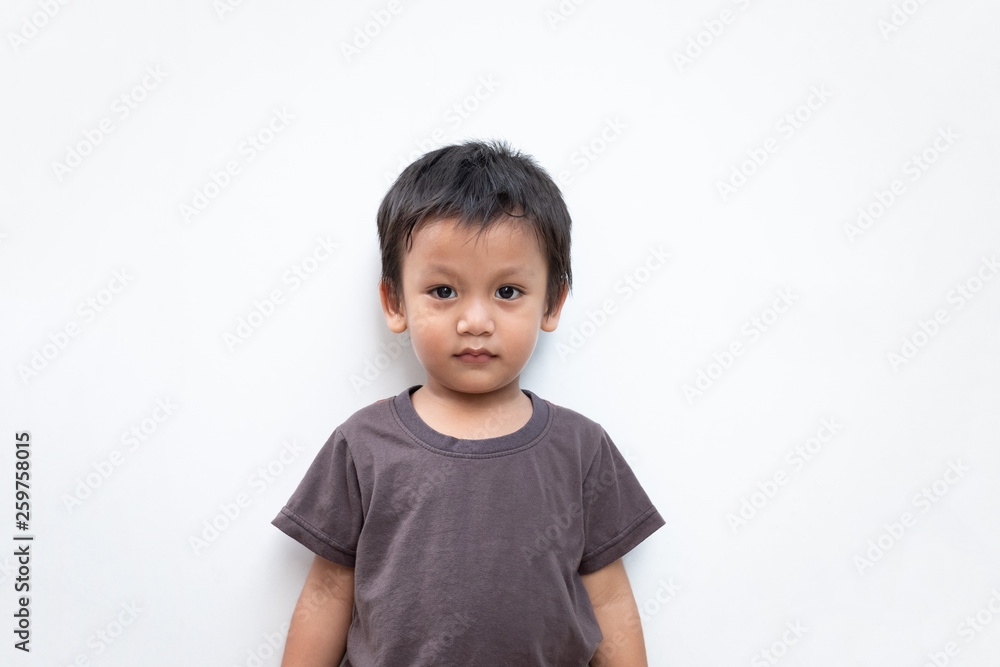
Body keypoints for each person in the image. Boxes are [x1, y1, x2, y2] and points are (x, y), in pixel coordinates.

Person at [272, 140, 664, 666]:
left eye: (506, 292)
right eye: (442, 291)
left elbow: (610, 596)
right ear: (394, 302)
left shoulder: (581, 447)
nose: (475, 320)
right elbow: (326, 593)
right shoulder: (362, 444)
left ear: (552, 303)